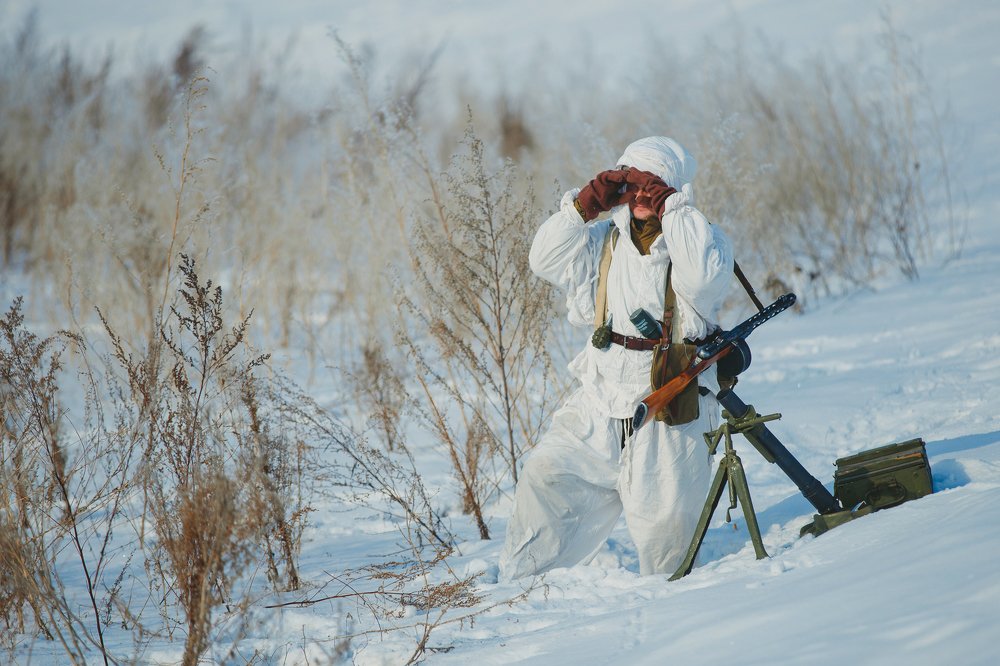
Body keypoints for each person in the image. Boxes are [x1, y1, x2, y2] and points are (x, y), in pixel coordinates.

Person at [498, 136, 734, 580]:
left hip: (670, 405)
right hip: (602, 397)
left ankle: (668, 620)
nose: (642, 197)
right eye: (633, 186)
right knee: (546, 476)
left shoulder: (701, 242)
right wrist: (583, 206)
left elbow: (703, 281)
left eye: (654, 187)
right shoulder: (601, 242)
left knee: (665, 536)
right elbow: (542, 260)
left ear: (673, 191)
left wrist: (673, 207)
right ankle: (522, 593)